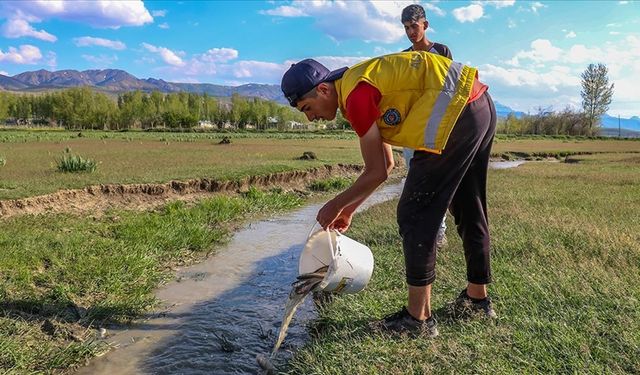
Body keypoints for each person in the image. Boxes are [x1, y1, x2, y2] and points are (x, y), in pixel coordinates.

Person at [281, 51, 497, 337]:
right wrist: (349, 209)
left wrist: (334, 205)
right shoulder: (357, 84)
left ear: (323, 89)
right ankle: (477, 299)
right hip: (478, 105)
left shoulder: (356, 97)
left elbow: (375, 169)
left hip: (454, 113)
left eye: (307, 108)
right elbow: (385, 168)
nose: (310, 118)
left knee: (414, 214)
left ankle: (417, 320)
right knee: (469, 205)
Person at [400, 4, 452, 250]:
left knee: (437, 178)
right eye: (406, 28)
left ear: (425, 25)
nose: (411, 32)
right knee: (414, 177)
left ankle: (439, 232)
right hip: (413, 126)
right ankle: (417, 228)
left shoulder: (441, 51)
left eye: (414, 26)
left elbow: (450, 88)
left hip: (437, 124)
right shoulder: (404, 56)